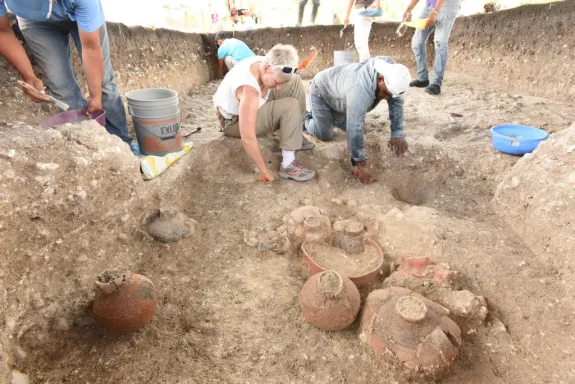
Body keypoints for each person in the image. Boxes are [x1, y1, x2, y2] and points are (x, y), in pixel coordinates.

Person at [0, 0, 141, 156]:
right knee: (61, 88)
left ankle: (123, 146)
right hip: (35, 24)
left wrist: (96, 95)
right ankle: (91, 147)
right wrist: (28, 76)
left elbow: (91, 47)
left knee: (103, 84)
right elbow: (2, 31)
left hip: (78, 11)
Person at [213, 44, 316, 183]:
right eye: (276, 82)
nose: (279, 87)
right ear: (266, 68)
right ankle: (288, 165)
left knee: (295, 80)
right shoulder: (249, 90)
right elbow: (247, 137)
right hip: (233, 121)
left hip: (254, 101)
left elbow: (283, 76)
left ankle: (295, 133)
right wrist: (265, 171)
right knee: (290, 105)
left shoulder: (267, 63)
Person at [304, 57, 410, 184]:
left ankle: (328, 117)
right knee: (325, 133)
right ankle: (303, 117)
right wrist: (360, 163)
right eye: (385, 93)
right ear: (380, 79)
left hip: (342, 97)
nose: (387, 97)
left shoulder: (393, 71)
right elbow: (354, 127)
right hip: (322, 92)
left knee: (357, 127)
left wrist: (397, 133)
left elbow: (396, 101)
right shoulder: (360, 89)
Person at [404, 0, 464, 95]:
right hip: (431, 4)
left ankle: (436, 83)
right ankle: (422, 78)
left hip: (449, 4)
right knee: (417, 42)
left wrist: (435, 11)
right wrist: (409, 8)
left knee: (440, 41)